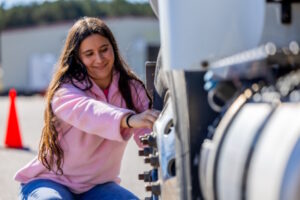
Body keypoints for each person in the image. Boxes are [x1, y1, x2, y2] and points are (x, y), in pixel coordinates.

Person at [14, 17, 160, 200]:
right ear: (78, 58)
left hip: (97, 187)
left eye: (104, 49)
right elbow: (89, 112)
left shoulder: (131, 90)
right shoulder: (65, 91)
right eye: (89, 53)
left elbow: (150, 136)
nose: (99, 59)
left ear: (113, 48)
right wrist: (128, 120)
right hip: (51, 181)